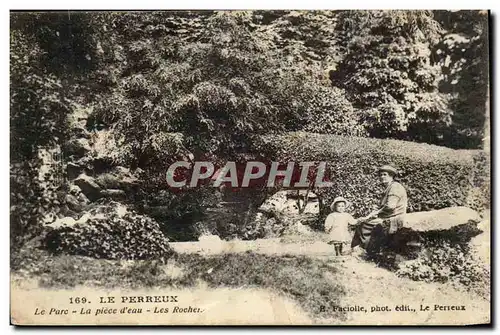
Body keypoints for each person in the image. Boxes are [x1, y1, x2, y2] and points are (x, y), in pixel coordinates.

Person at [351, 165, 408, 255]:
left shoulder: (395, 187)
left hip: (394, 217)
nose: (382, 177)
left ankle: (364, 251)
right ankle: (360, 249)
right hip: (388, 216)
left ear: (391, 176)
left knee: (365, 225)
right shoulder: (389, 188)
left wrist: (374, 214)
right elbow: (381, 207)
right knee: (364, 221)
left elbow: (390, 206)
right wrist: (368, 216)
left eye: (385, 174)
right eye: (381, 175)